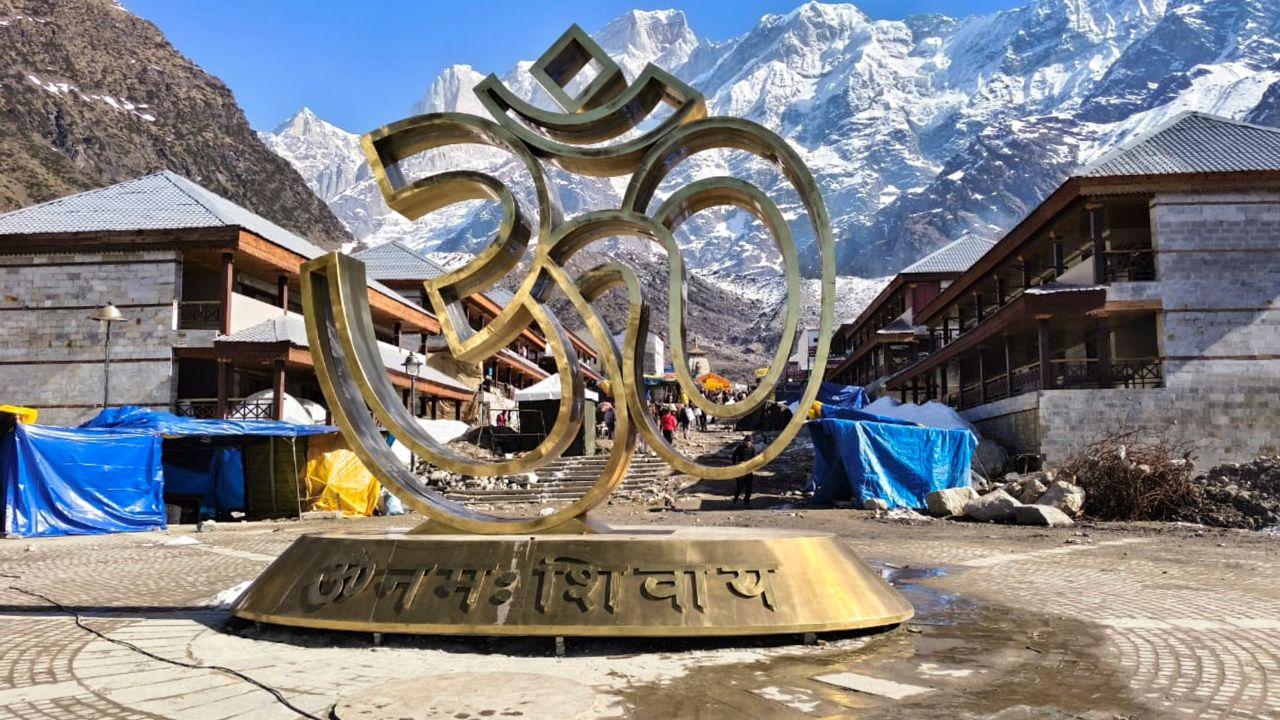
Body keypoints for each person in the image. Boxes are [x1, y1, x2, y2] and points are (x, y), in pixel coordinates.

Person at [731, 433, 755, 506]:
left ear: (751, 442)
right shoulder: (740, 448)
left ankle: (746, 501)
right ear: (744, 442)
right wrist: (736, 463)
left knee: (749, 487)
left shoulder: (752, 449)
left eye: (750, 442)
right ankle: (735, 498)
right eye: (747, 441)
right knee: (740, 486)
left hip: (748, 470)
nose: (748, 443)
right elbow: (734, 457)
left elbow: (754, 459)